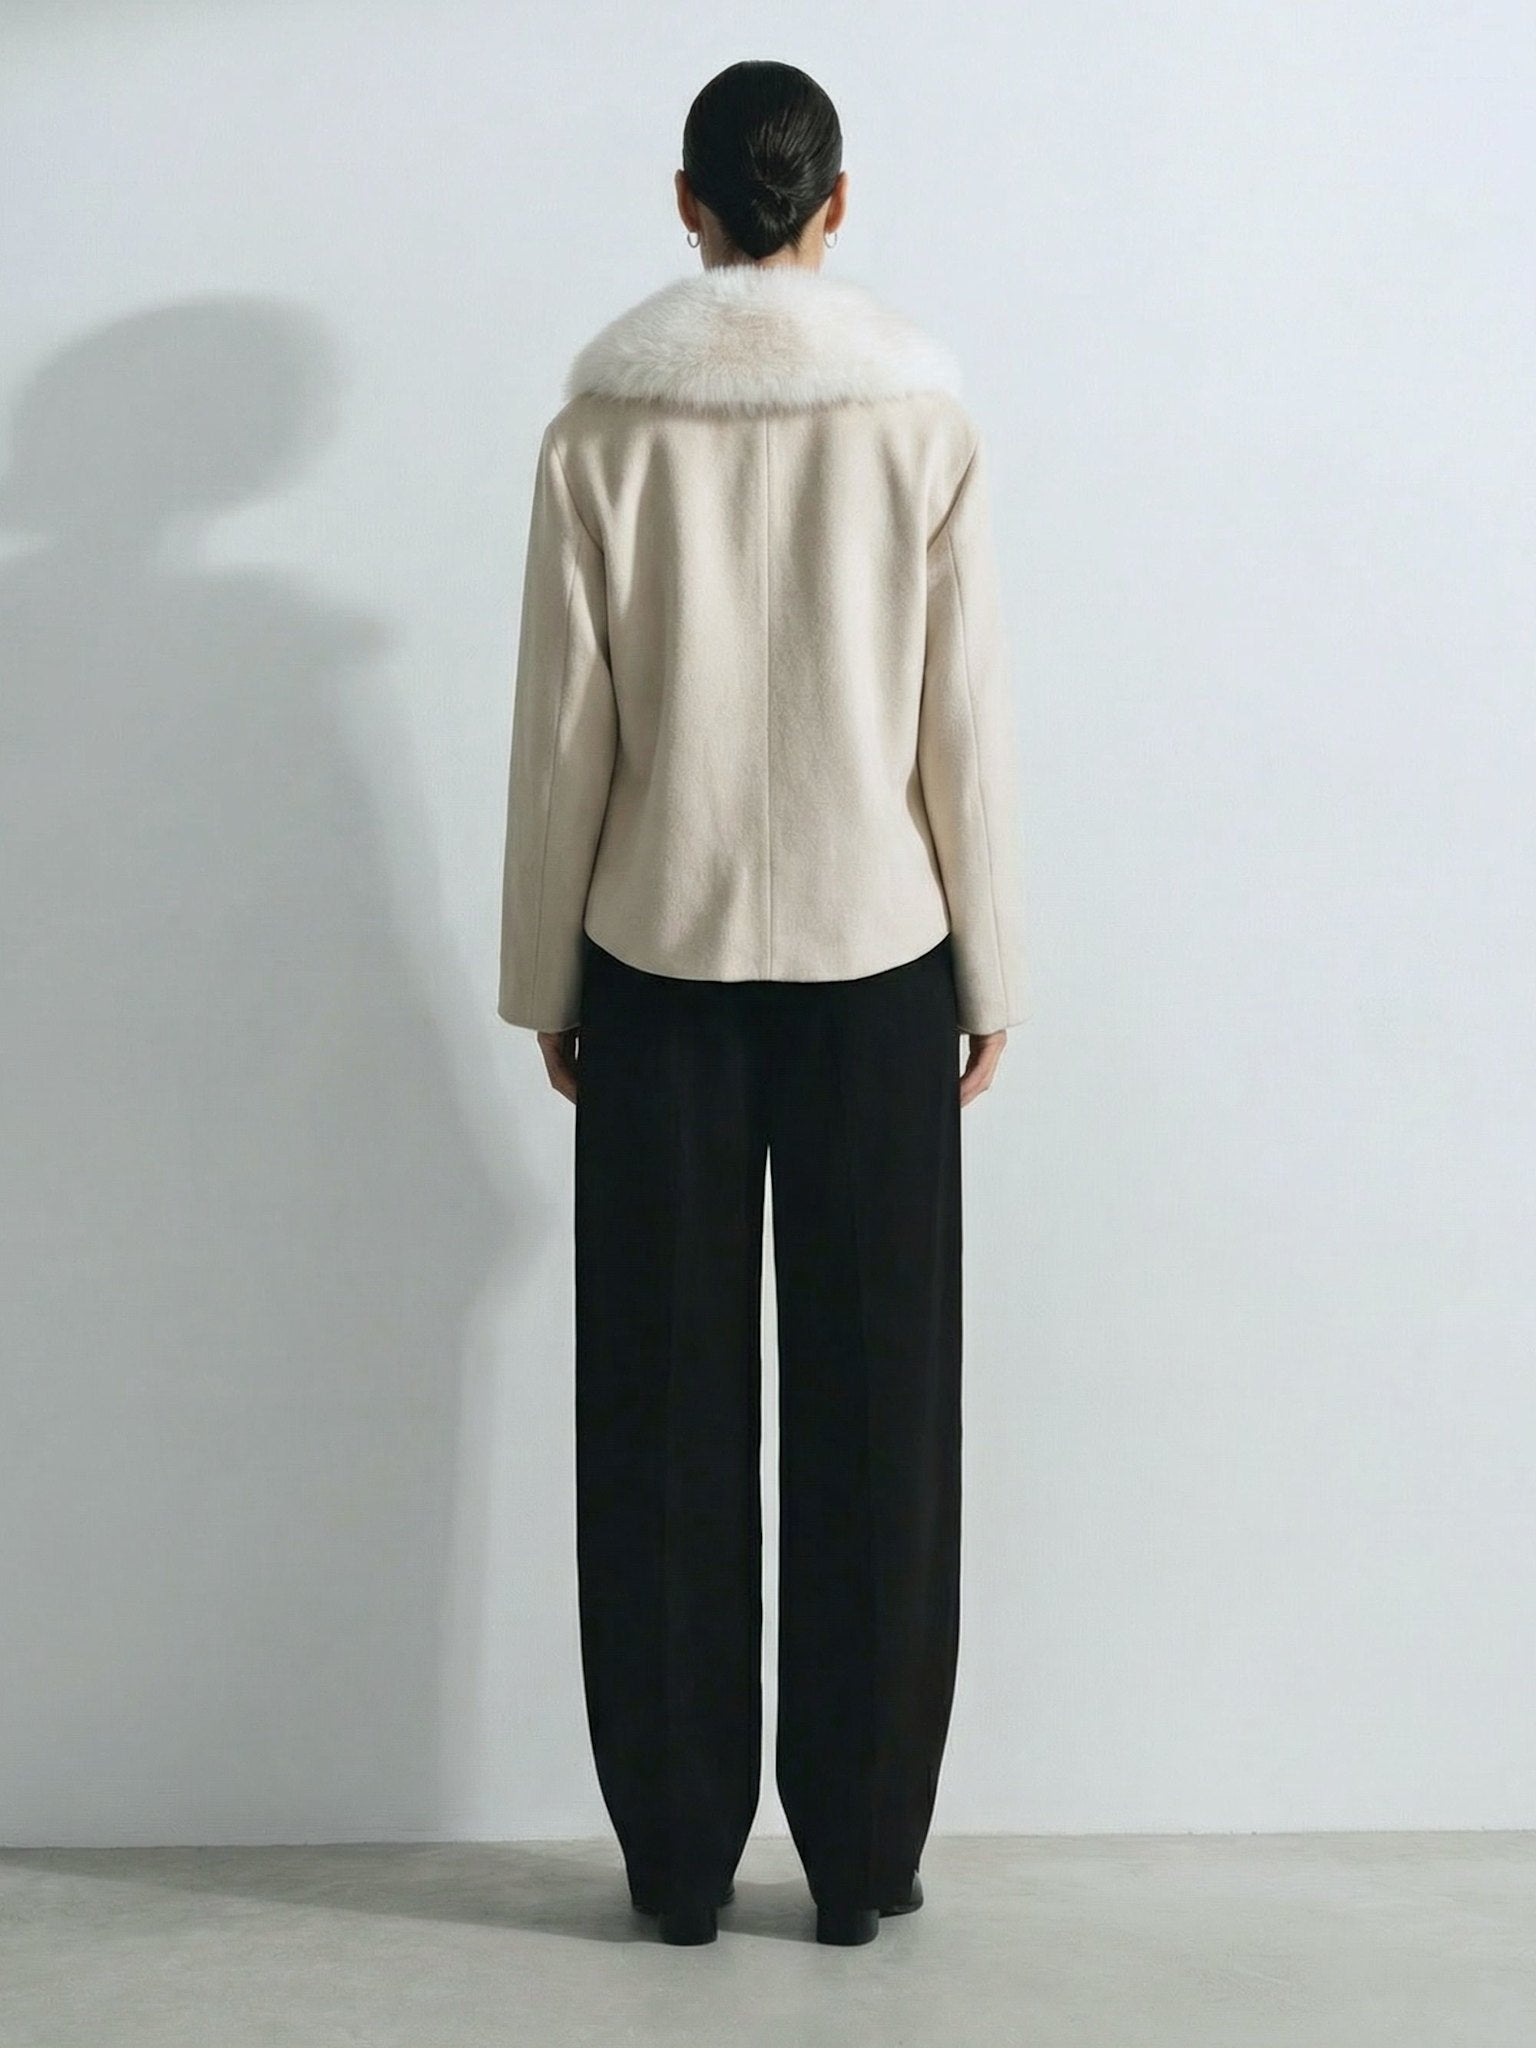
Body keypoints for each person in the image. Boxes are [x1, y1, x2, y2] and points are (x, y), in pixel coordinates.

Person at [498, 59, 1029, 1948]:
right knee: (883, 1420)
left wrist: (542, 976)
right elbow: (962, 727)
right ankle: (865, 1857)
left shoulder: (600, 434)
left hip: (659, 965)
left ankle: (675, 1865)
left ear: (688, 204)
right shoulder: (920, 422)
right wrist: (993, 967)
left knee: (658, 1420)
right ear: (837, 204)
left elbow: (565, 734)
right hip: (881, 966)